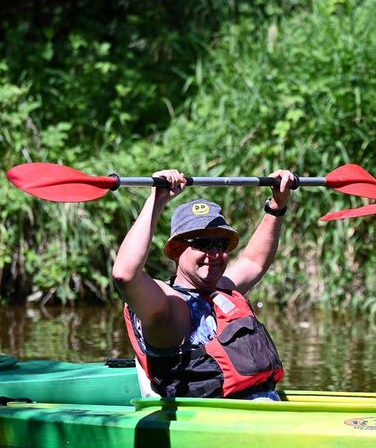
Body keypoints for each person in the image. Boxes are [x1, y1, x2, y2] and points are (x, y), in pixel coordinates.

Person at [112, 169, 296, 400]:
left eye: (221, 244)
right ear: (177, 250)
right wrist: (156, 200)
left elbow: (254, 261)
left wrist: (277, 205)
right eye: (202, 244)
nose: (214, 253)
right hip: (216, 418)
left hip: (262, 404)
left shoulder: (222, 289)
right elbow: (125, 275)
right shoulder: (169, 305)